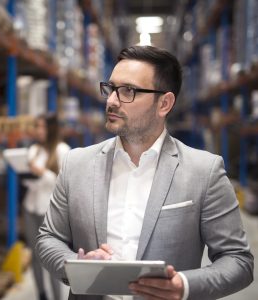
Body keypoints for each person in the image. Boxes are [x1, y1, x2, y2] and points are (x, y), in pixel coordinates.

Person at [36, 45, 254, 300]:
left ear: (164, 103)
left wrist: (182, 285)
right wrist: (76, 264)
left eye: (128, 91)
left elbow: (238, 261)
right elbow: (48, 238)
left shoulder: (204, 171)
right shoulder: (77, 163)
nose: (111, 101)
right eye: (111, 88)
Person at [22, 113, 70, 300]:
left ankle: (57, 297)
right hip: (30, 206)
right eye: (37, 126)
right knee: (35, 256)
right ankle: (41, 294)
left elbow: (64, 183)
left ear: (52, 128)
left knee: (50, 257)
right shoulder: (33, 150)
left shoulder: (62, 150)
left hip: (49, 211)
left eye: (42, 127)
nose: (39, 131)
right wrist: (26, 174)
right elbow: (29, 182)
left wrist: (42, 173)